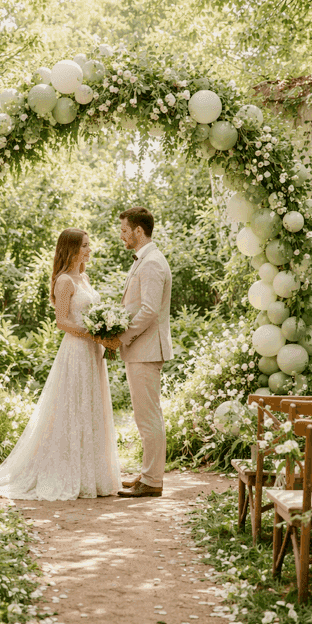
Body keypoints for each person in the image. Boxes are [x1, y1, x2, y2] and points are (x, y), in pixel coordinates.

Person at [0, 228, 121, 501]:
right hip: (77, 351)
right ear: (72, 249)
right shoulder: (65, 281)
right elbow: (62, 322)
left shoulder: (85, 278)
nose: (90, 250)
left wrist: (104, 331)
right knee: (73, 406)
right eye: (85, 246)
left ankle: (93, 475)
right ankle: (66, 472)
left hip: (93, 353)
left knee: (91, 405)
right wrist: (94, 333)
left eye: (89, 245)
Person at [105, 207, 173, 498]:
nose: (121, 236)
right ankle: (148, 475)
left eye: (124, 231)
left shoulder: (152, 263)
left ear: (138, 231)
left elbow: (148, 310)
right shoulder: (144, 260)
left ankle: (153, 481)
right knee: (144, 415)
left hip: (145, 349)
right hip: (141, 350)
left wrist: (122, 336)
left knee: (149, 417)